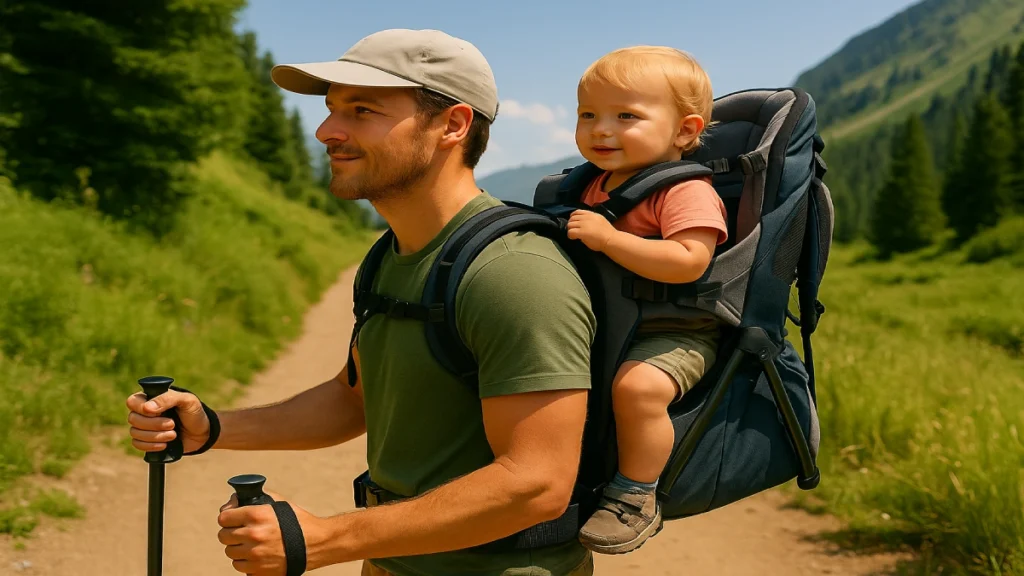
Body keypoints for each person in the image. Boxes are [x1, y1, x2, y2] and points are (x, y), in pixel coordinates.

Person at [125, 28, 598, 576]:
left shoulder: (514, 273)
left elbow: (535, 484)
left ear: (453, 124)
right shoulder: (390, 257)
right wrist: (212, 426)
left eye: (362, 110)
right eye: (331, 110)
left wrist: (325, 539)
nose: (328, 131)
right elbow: (357, 400)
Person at [564, 46, 728, 554]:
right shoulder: (591, 185)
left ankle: (636, 494)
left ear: (684, 131)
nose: (601, 129)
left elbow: (689, 260)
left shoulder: (684, 191)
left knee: (637, 390)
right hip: (610, 322)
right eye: (587, 114)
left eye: (625, 116)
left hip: (675, 331)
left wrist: (610, 239)